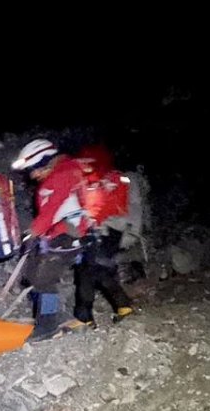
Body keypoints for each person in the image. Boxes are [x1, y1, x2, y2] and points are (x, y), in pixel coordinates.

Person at [11, 139, 92, 338]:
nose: (32, 175)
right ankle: (54, 316)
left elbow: (51, 210)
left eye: (33, 169)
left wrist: (33, 233)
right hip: (61, 233)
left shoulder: (62, 175)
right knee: (34, 273)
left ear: (43, 161)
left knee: (44, 278)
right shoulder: (62, 173)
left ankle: (48, 325)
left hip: (68, 233)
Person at [74, 145, 135, 326]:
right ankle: (122, 307)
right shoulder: (110, 178)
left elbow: (99, 208)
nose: (83, 165)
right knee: (96, 270)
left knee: (90, 271)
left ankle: (85, 317)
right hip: (107, 231)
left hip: (103, 231)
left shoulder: (104, 179)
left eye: (86, 161)